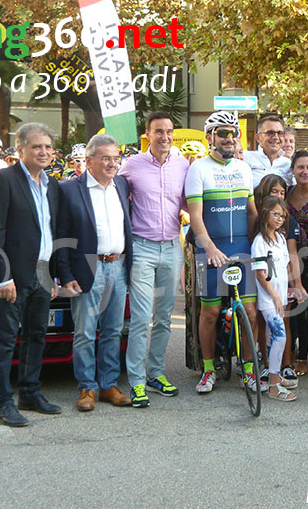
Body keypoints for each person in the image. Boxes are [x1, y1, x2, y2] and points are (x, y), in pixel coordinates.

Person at [0, 123, 62, 427]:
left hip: (42, 273)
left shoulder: (51, 185)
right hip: (13, 275)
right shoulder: (3, 180)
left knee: (36, 335)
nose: (43, 152)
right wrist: (2, 277)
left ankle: (29, 393)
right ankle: (1, 403)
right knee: (4, 339)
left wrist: (53, 275)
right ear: (20, 150)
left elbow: (51, 232)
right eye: (36, 146)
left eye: (48, 147)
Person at [57, 134, 133, 411]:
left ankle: (108, 385)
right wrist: (65, 275)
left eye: (116, 158)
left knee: (113, 330)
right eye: (106, 158)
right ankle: (86, 386)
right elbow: (61, 235)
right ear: (88, 161)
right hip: (87, 267)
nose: (112, 164)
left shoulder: (122, 185)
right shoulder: (69, 190)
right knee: (85, 333)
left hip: (118, 265)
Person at [119, 111, 189, 407]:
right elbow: (116, 198)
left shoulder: (183, 165)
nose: (165, 136)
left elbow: (189, 203)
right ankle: (136, 381)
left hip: (172, 247)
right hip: (142, 248)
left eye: (169, 131)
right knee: (140, 318)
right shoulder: (131, 166)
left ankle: (156, 374)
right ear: (148, 135)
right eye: (159, 131)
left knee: (163, 317)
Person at [186, 111, 259, 394]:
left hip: (241, 247)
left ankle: (249, 370)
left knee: (249, 312)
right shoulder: (199, 169)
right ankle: (208, 369)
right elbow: (195, 216)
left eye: (233, 133)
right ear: (210, 137)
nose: (229, 138)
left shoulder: (243, 168)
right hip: (209, 250)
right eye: (223, 133)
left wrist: (257, 244)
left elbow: (251, 212)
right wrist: (209, 247)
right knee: (210, 312)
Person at [252, 174, 306, 384]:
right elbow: (260, 273)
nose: (280, 219)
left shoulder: (281, 238)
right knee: (278, 335)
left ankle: (277, 374)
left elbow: (287, 263)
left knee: (275, 335)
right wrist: (274, 296)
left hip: (281, 296)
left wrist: (295, 285)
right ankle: (273, 379)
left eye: (283, 216)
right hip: (269, 298)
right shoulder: (260, 240)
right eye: (276, 214)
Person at [285, 150, 308, 375]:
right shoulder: (286, 193)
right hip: (288, 259)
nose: (305, 171)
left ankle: (303, 356)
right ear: (292, 170)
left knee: (307, 309)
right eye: (300, 167)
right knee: (291, 308)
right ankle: (290, 350)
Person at [245, 114, 292, 187]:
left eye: (280, 133)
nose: (276, 137)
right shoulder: (245, 159)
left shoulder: (288, 164)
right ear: (258, 138)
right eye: (270, 133)